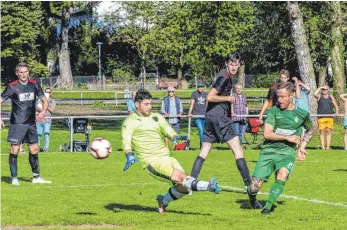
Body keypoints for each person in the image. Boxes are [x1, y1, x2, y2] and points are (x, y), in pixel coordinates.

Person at [121, 89, 221, 214]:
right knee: (182, 178)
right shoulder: (129, 122)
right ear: (137, 104)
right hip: (152, 161)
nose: (150, 107)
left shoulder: (156, 117)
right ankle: (209, 186)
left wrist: (175, 137)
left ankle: (163, 201)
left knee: (184, 188)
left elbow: (168, 129)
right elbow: (126, 140)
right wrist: (129, 154)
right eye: (146, 104)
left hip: (167, 157)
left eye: (151, 104)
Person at [190, 54, 255, 198]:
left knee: (204, 150)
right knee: (238, 150)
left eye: (236, 65)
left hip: (211, 117)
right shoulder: (224, 77)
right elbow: (210, 97)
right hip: (220, 119)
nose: (233, 67)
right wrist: (229, 98)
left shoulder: (222, 75)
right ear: (227, 64)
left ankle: (191, 181)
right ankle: (248, 185)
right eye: (231, 64)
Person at [247, 82, 313, 214]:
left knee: (282, 174)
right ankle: (253, 199)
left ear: (292, 95)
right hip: (269, 151)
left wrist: (302, 146)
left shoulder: (302, 114)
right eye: (278, 97)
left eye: (283, 97)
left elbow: (311, 129)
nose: (280, 100)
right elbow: (267, 134)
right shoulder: (273, 111)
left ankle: (267, 207)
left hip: (287, 152)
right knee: (253, 187)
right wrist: (287, 137)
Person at [0, 62, 52, 185]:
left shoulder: (34, 84)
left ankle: (36, 177)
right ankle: (14, 179)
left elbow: (44, 100)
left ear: (28, 72)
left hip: (31, 123)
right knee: (15, 150)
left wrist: (43, 113)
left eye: (25, 72)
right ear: (17, 73)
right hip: (17, 123)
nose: (23, 74)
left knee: (34, 150)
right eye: (21, 72)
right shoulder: (12, 86)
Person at [314, 84, 339, 150]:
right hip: (321, 117)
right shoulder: (319, 96)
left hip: (329, 117)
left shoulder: (331, 96)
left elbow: (335, 105)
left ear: (328, 90)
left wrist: (336, 112)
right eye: (323, 89)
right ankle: (323, 147)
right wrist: (320, 87)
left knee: (328, 131)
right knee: (322, 131)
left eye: (325, 89)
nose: (324, 90)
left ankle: (328, 147)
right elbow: (314, 94)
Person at [188, 81, 208, 149]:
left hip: (205, 116)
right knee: (201, 130)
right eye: (199, 87)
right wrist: (190, 112)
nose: (200, 88)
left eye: (201, 87)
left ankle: (202, 145)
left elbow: (208, 104)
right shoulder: (194, 93)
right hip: (197, 116)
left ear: (204, 88)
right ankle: (203, 147)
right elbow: (192, 104)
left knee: (204, 132)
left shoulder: (206, 94)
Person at [36, 87, 56, 152]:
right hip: (39, 120)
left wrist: (46, 104)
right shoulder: (39, 100)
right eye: (46, 92)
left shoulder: (53, 101)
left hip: (47, 120)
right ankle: (37, 148)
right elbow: (36, 107)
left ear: (51, 93)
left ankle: (46, 149)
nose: (48, 93)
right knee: (38, 135)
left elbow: (52, 110)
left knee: (46, 135)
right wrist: (42, 109)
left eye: (49, 92)